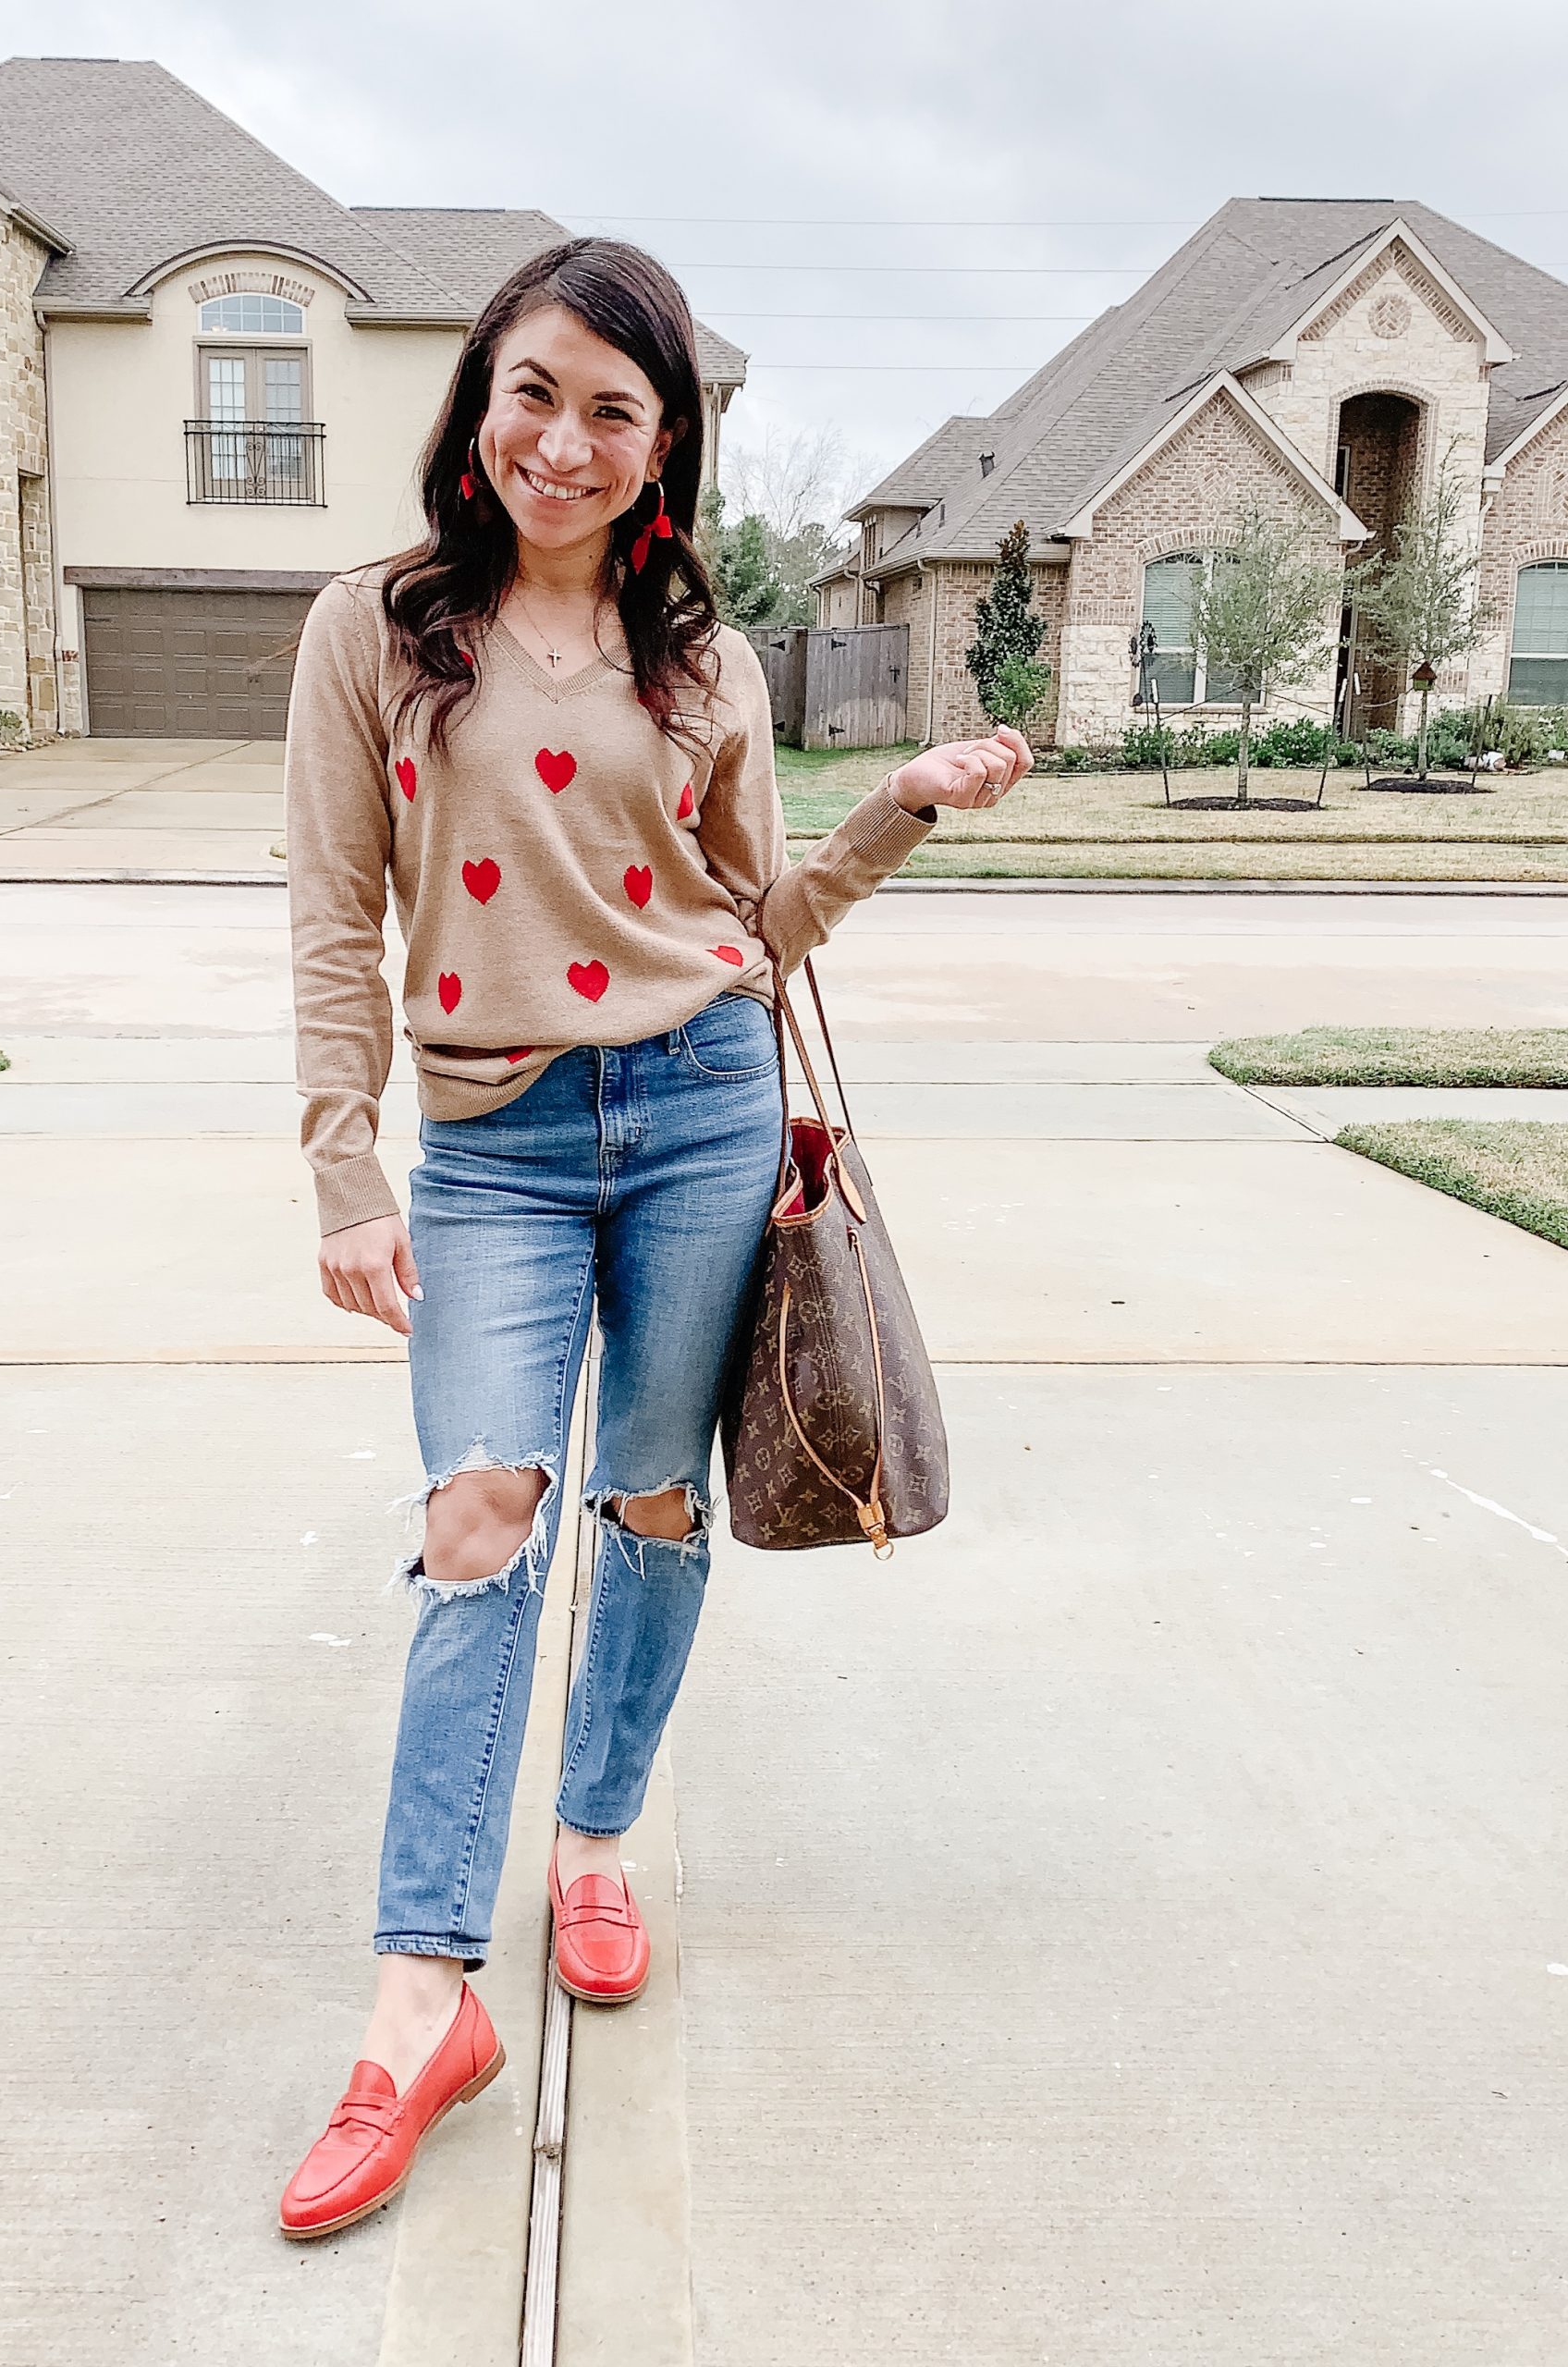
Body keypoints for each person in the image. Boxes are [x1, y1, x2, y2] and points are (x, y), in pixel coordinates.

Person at [277, 238, 1030, 2238]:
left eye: (618, 408)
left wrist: (909, 811)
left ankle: (595, 1831)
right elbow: (330, 915)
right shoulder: (370, 629)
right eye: (537, 391)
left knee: (654, 1505)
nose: (568, 437)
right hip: (497, 1140)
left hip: (697, 1103)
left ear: (663, 443)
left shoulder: (705, 658)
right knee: (479, 1516)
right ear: (480, 404)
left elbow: (755, 922)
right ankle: (417, 1993)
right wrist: (345, 1170)